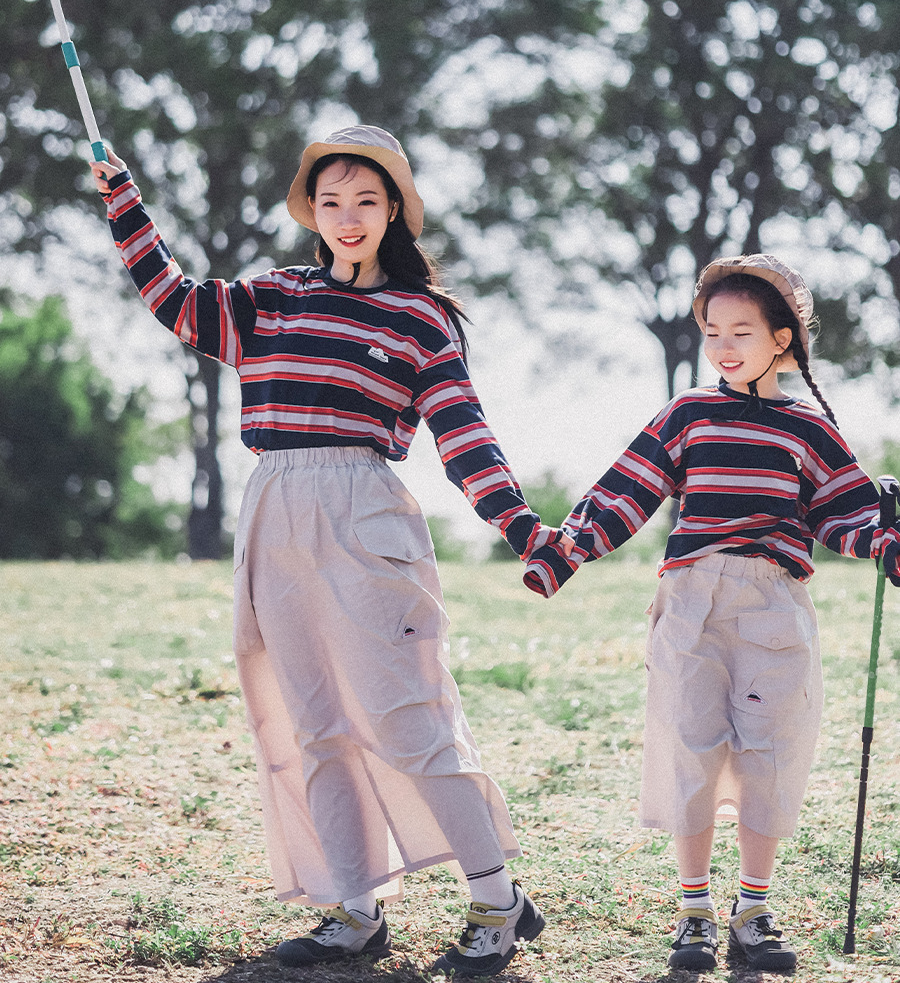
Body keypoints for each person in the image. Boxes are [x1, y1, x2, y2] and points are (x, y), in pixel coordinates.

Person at [91, 125, 573, 977]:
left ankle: (499, 901)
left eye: (365, 201)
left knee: (406, 718)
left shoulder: (421, 317)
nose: (347, 217)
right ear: (312, 211)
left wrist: (522, 527)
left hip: (365, 511)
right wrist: (123, 200)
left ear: (394, 211)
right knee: (314, 724)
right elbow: (169, 295)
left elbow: (465, 437)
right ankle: (355, 909)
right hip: (274, 503)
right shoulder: (271, 297)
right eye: (330, 201)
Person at [521, 255, 900, 974]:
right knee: (690, 746)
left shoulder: (808, 429)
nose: (724, 345)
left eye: (742, 331)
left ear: (783, 340)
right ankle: (694, 910)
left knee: (768, 752)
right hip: (695, 597)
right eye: (713, 331)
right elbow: (626, 490)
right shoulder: (688, 413)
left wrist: (884, 539)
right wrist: (565, 552)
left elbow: (843, 510)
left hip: (774, 603)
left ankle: (752, 909)